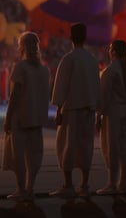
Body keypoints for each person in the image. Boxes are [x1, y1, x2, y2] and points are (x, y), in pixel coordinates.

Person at [49, 23, 101, 198]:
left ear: (70, 38)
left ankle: (68, 184)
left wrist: (58, 108)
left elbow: (61, 86)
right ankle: (84, 184)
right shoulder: (92, 60)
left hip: (71, 108)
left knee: (67, 145)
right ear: (85, 38)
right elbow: (96, 85)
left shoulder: (69, 59)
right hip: (88, 108)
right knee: (86, 145)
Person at [2, 32, 51, 201]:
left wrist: (8, 118)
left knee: (19, 155)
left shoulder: (21, 67)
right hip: (36, 118)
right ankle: (30, 187)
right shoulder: (44, 70)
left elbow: (15, 95)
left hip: (21, 117)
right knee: (34, 154)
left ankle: (21, 189)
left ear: (22, 47)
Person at [95, 40, 126, 194]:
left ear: (113, 51)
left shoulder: (110, 71)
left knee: (111, 148)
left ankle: (111, 184)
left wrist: (99, 116)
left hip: (113, 113)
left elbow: (103, 97)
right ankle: (123, 183)